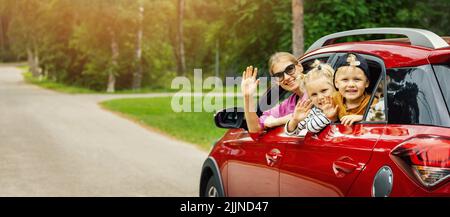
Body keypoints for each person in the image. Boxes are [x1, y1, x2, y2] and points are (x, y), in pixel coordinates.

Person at [241, 52, 307, 135]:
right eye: (279, 75)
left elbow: (308, 115)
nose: (286, 77)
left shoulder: (318, 88)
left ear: (300, 67)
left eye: (290, 69)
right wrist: (247, 96)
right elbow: (255, 129)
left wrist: (275, 122)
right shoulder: (289, 103)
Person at [285, 60, 338, 136]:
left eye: (324, 91)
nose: (320, 97)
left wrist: (329, 117)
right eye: (314, 94)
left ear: (336, 87)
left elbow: (311, 128)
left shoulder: (340, 107)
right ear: (309, 97)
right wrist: (295, 120)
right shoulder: (314, 110)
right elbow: (292, 133)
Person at [332, 53, 377, 126]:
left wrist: (362, 118)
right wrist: (330, 117)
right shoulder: (333, 99)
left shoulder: (372, 102)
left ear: (366, 83)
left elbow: (382, 118)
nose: (351, 85)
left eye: (357, 79)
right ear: (336, 83)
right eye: (345, 80)